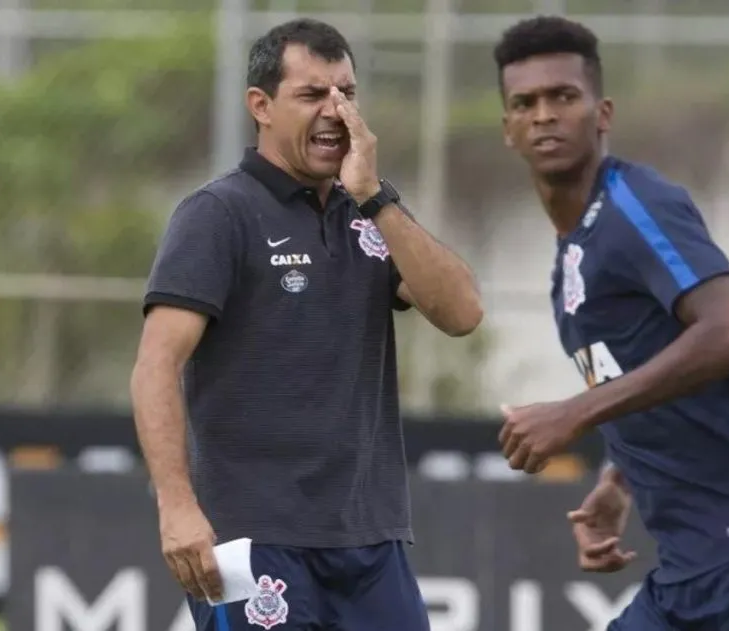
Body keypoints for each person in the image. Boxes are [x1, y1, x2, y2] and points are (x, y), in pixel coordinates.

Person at [492, 15, 729, 631]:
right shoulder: (570, 261)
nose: (544, 114)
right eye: (524, 103)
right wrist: (619, 480)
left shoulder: (635, 206)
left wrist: (572, 413)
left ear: (601, 112)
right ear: (507, 127)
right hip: (690, 570)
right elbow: (654, 373)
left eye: (564, 96)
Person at [130, 18, 482, 631]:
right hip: (257, 540)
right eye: (312, 94)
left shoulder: (370, 212)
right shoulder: (218, 214)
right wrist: (177, 506)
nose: (335, 111)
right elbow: (156, 365)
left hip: (371, 541)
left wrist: (374, 195)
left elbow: (462, 313)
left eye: (346, 93)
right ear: (260, 106)